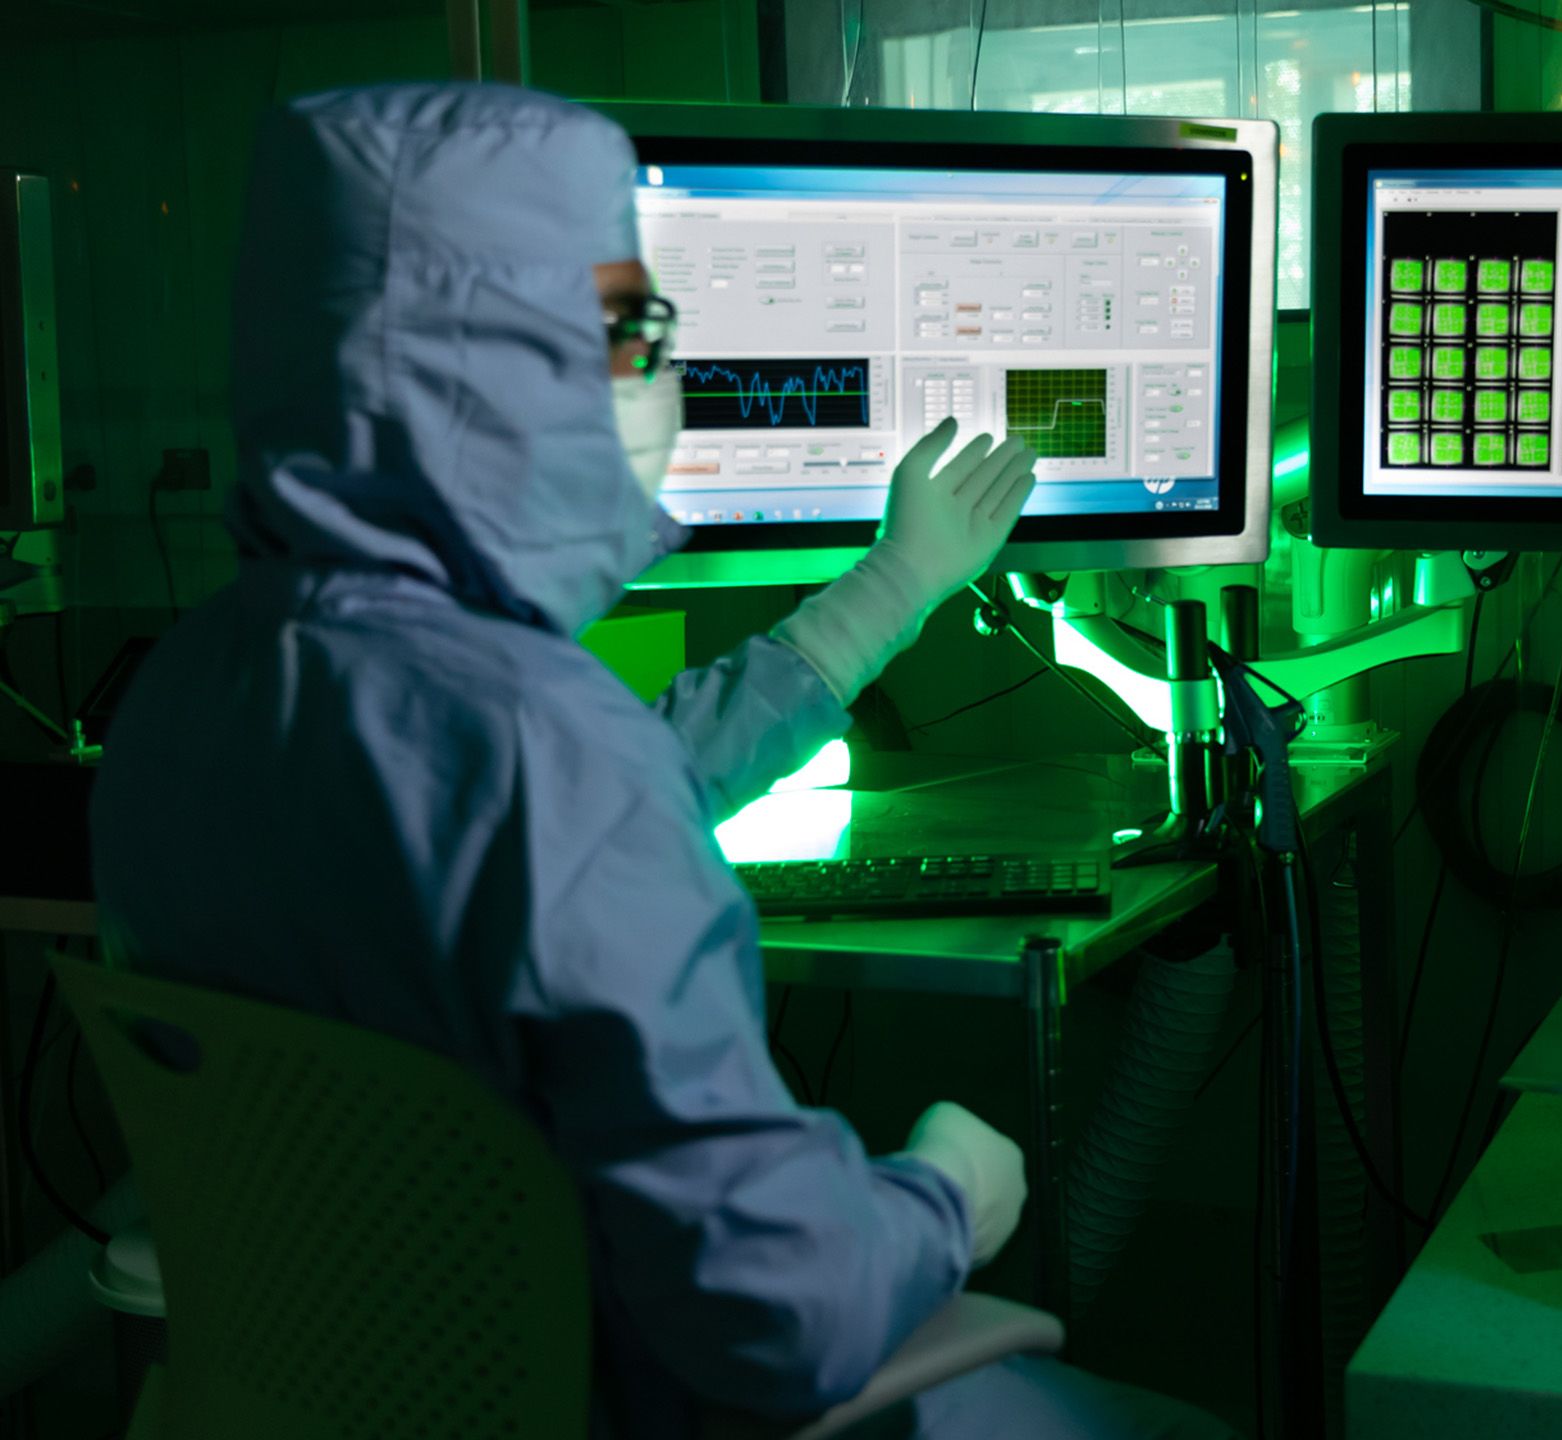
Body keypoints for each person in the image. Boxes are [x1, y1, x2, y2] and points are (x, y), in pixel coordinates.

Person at [89, 83, 1225, 1440]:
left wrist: (892, 587)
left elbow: (546, 803)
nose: (665, 380)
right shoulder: (544, 756)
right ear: (515, 372)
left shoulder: (194, 696)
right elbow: (781, 1312)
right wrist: (941, 1194)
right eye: (634, 330)